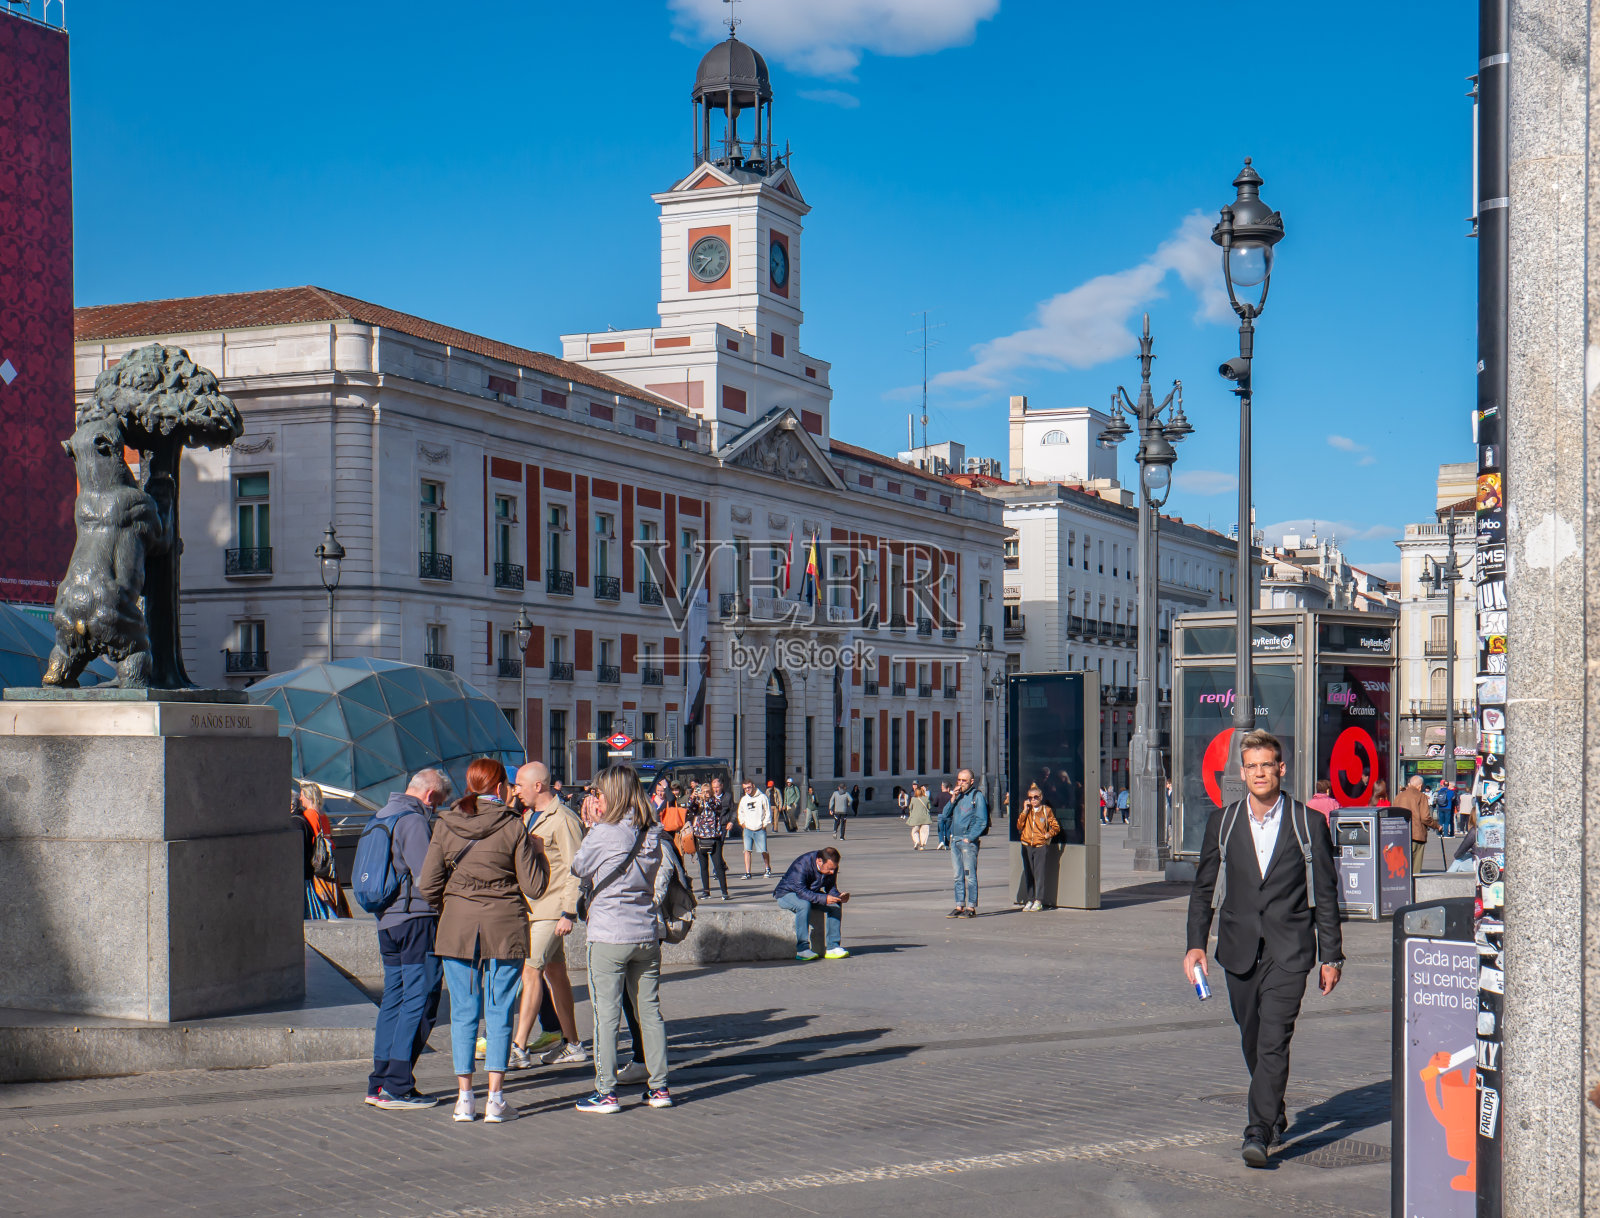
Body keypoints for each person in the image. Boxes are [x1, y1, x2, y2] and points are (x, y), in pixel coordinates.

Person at [1184, 729, 1343, 1168]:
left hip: (1290, 950)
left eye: (1266, 765)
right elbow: (1203, 889)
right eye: (1251, 766)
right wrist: (1195, 944)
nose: (1259, 773)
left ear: (1280, 769)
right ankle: (1273, 1108)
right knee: (1252, 1037)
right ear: (1242, 772)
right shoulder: (1223, 822)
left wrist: (1331, 955)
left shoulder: (1307, 822)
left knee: (1274, 1039)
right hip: (1238, 948)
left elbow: (1325, 894)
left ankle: (1258, 1130)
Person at [419, 757, 548, 1125]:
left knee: (463, 1011)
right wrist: (538, 852)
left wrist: (454, 902)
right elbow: (535, 887)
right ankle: (495, 1099)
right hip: (504, 926)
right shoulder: (513, 825)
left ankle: (464, 1099)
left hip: (457, 928)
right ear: (499, 787)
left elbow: (427, 885)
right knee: (499, 1009)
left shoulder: (446, 824)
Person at [570, 765, 672, 1113]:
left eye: (598, 793)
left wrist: (592, 827)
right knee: (650, 1012)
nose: (594, 798)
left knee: (607, 1014)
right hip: (645, 931)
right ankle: (659, 1088)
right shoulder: (651, 830)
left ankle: (606, 1092)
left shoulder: (604, 832)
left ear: (610, 795)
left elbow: (579, 867)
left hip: (609, 933)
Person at [365, 767, 452, 1111]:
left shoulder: (380, 816)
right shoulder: (413, 821)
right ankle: (398, 1086)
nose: (436, 809)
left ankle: (379, 1082)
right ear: (429, 796)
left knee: (393, 998)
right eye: (438, 803)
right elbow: (427, 878)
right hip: (416, 920)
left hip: (386, 921)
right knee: (420, 997)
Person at [508, 762, 587, 1071]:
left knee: (531, 970)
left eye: (519, 784)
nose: (516, 790)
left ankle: (518, 1047)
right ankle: (573, 1044)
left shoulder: (564, 818)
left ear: (537, 786)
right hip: (534, 908)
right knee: (555, 973)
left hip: (551, 910)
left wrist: (569, 912)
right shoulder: (528, 816)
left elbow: (576, 868)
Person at [774, 845, 849, 961]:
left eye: (834, 869)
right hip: (786, 893)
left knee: (835, 905)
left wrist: (838, 897)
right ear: (819, 861)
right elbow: (801, 892)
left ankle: (833, 947)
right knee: (803, 905)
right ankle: (802, 949)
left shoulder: (831, 866)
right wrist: (824, 898)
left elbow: (831, 887)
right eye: (829, 868)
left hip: (809, 893)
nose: (832, 871)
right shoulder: (802, 865)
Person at [938, 769, 988, 918]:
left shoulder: (977, 796)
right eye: (958, 780)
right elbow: (945, 814)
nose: (960, 783)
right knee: (957, 875)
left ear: (971, 781)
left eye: (964, 781)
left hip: (967, 842)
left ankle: (971, 907)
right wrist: (953, 797)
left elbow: (982, 820)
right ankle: (959, 905)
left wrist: (970, 837)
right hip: (955, 840)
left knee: (969, 875)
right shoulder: (957, 796)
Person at [296, 782, 350, 919]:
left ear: (308, 796)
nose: (300, 798)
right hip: (328, 861)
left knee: (321, 895)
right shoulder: (322, 814)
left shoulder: (309, 814)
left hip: (318, 862)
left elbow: (313, 840)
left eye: (302, 795)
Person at [1016, 783, 1060, 912]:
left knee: (1039, 874)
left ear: (1040, 797)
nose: (1033, 800)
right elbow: (1019, 826)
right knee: (1028, 873)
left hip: (1040, 845)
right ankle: (1030, 899)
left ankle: (1038, 900)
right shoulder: (1027, 811)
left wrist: (1047, 835)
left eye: (1035, 797)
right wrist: (1024, 810)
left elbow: (1055, 826)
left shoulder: (1046, 810)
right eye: (1030, 798)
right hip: (1027, 845)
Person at [689, 781, 730, 901]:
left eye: (708, 791)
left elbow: (717, 807)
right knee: (703, 866)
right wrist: (693, 797)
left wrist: (708, 798)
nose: (705, 793)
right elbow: (691, 808)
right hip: (700, 836)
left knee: (718, 865)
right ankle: (706, 891)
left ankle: (724, 891)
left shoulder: (715, 800)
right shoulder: (698, 801)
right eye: (704, 791)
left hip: (714, 836)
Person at [1394, 775, 1439, 874]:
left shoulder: (1399, 796)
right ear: (1420, 786)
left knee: (1402, 866)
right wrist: (1437, 826)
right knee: (1415, 868)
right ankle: (1414, 883)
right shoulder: (1421, 796)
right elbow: (1425, 818)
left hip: (1401, 835)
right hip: (1417, 834)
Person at [736, 778, 773, 879]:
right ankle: (748, 872)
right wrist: (742, 823)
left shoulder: (762, 797)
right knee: (747, 850)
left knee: (763, 850)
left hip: (759, 828)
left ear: (753, 786)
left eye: (748, 787)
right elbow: (740, 812)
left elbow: (768, 811)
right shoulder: (744, 799)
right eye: (745, 788)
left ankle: (767, 868)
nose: (747, 790)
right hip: (748, 828)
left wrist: (764, 824)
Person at [906, 782, 933, 850]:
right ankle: (922, 845)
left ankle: (917, 841)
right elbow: (929, 807)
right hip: (925, 818)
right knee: (924, 832)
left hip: (916, 818)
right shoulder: (926, 798)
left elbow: (910, 807)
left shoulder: (913, 799)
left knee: (914, 831)